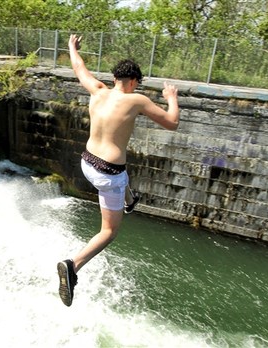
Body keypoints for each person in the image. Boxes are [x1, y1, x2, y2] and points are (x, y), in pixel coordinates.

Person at [57, 34, 180, 307]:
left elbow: (79, 68)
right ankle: (73, 266)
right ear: (134, 82)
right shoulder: (137, 100)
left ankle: (129, 199)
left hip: (87, 162)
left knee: (121, 173)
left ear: (115, 79)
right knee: (109, 232)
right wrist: (171, 98)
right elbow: (172, 123)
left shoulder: (98, 90)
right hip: (108, 174)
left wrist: (71, 47)